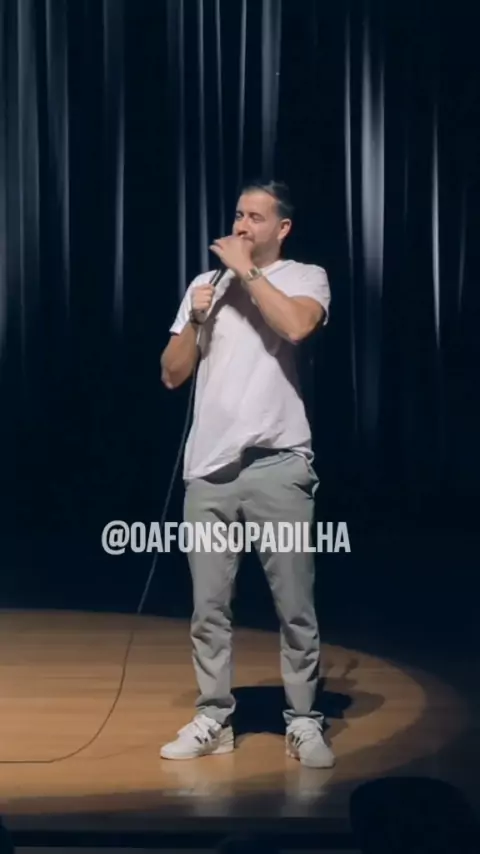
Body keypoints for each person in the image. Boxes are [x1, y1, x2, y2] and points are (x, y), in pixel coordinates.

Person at [159, 180, 334, 768]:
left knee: (294, 605)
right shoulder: (205, 285)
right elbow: (171, 374)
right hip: (209, 471)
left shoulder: (305, 276)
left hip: (278, 464)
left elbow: (297, 327)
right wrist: (196, 319)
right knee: (208, 609)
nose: (241, 225)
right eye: (238, 214)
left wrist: (248, 273)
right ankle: (214, 717)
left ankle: (304, 720)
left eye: (256, 217)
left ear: (282, 228)